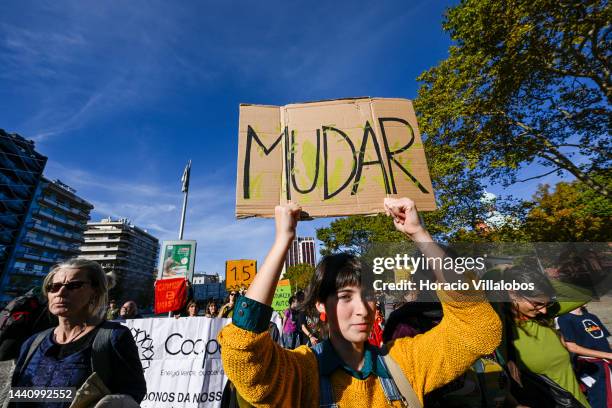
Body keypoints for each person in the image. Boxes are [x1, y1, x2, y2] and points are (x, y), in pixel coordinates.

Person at [218, 198, 502, 406]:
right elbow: (243, 354)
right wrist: (283, 240)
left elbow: (476, 330)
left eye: (368, 296)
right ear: (320, 306)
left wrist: (420, 235)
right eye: (345, 297)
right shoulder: (301, 373)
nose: (361, 309)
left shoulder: (405, 362)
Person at [10, 258, 146, 407]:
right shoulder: (33, 343)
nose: (60, 292)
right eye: (53, 287)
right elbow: (17, 394)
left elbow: (133, 392)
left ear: (95, 292)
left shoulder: (114, 337)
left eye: (74, 285)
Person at [486, 265, 592, 408]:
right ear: (512, 293)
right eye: (537, 303)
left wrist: (539, 279)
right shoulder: (501, 326)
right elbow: (487, 284)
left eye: (547, 304)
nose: (544, 310)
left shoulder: (543, 318)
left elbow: (584, 294)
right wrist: (501, 270)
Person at [558, 306, 612, 408]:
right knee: (600, 398)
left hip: (607, 361)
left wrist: (609, 353)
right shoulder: (564, 318)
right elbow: (572, 347)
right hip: (591, 365)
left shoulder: (592, 316)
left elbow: (603, 340)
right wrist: (608, 355)